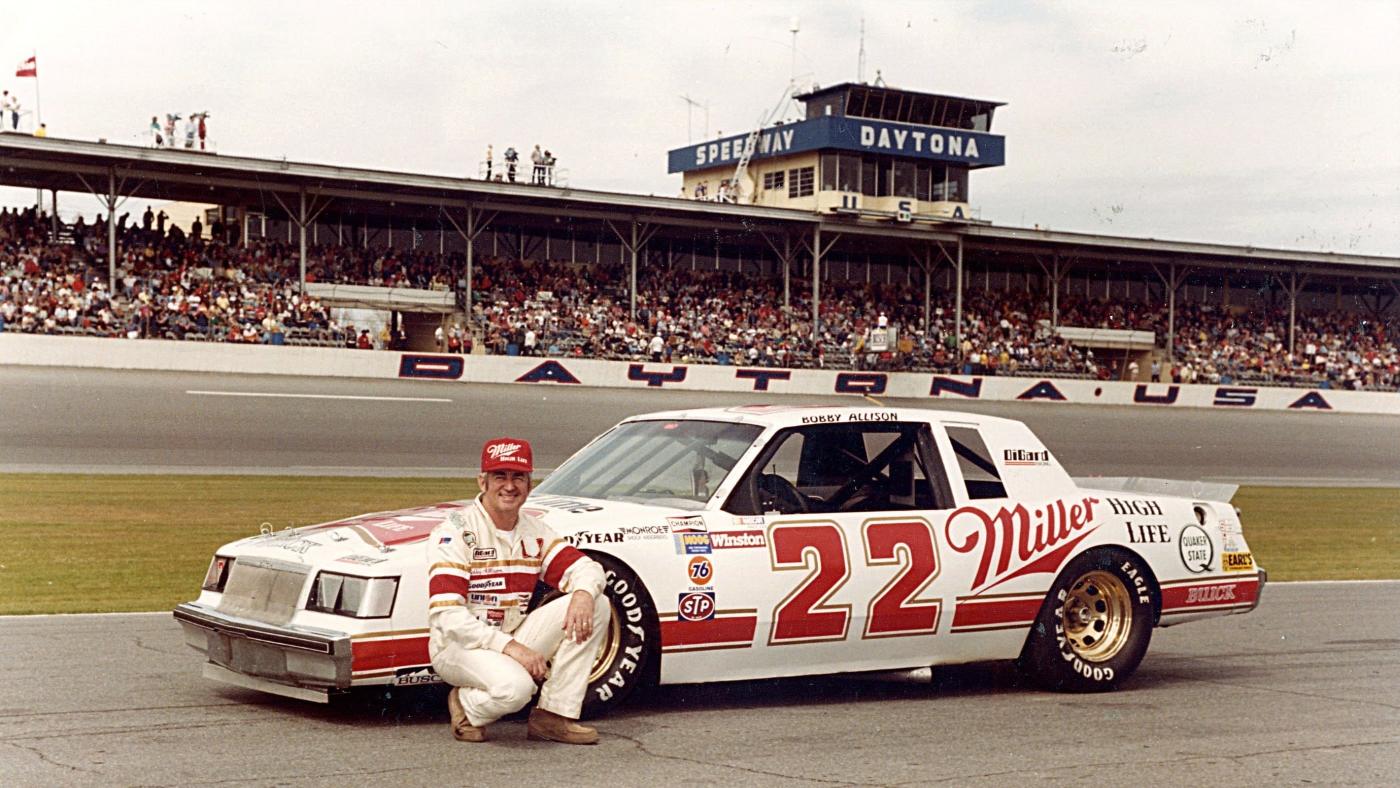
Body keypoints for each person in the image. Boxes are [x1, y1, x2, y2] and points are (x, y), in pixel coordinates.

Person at [428, 437, 609, 744]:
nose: (509, 486)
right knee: (517, 689)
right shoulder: (455, 531)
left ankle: (553, 716)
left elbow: (587, 568)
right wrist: (514, 649)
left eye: (518, 477)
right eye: (500, 476)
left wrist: (581, 594)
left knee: (597, 603)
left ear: (529, 483)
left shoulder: (533, 530)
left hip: (510, 637)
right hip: (459, 646)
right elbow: (448, 617)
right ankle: (465, 705)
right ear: (482, 481)